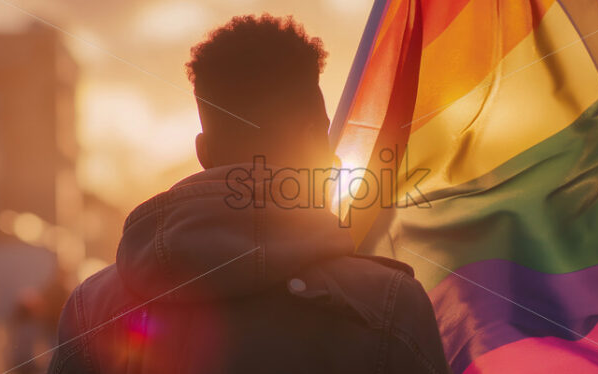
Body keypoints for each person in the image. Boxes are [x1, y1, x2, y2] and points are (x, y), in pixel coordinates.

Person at [48, 15, 449, 374]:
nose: (336, 160)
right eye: (324, 137)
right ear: (311, 138)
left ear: (204, 154)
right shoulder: (389, 306)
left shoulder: (91, 312)